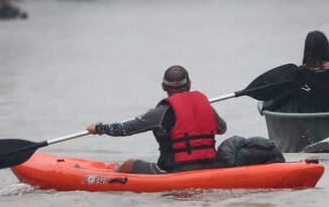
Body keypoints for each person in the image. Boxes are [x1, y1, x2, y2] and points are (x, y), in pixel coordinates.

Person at [86, 65, 227, 174]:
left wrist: (99, 128)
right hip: (209, 167)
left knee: (128, 164)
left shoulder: (160, 113)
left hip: (173, 171)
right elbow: (222, 129)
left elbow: (124, 129)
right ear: (189, 84)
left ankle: (112, 176)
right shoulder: (206, 107)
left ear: (163, 86)